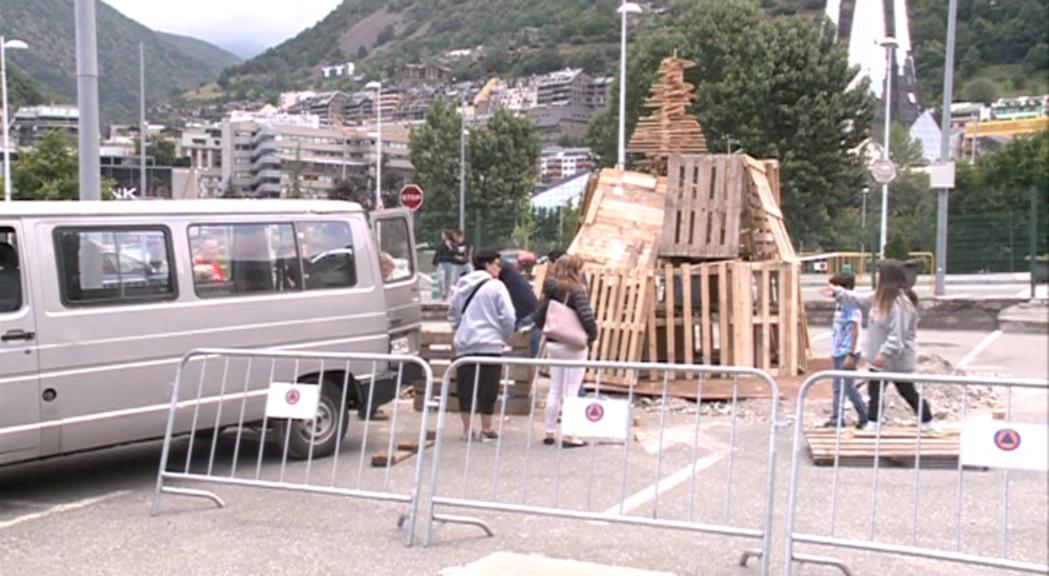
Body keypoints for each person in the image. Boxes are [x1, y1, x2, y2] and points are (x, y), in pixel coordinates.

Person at [823, 259, 935, 431]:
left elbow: (897, 336)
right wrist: (838, 292)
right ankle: (873, 423)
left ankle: (927, 421)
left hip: (896, 359)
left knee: (907, 391)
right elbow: (857, 299)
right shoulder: (879, 297)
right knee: (875, 391)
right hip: (879, 359)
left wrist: (884, 354)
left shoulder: (900, 304)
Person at [447, 249, 516, 442]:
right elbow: (509, 316)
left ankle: (467, 429)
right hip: (490, 344)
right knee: (488, 387)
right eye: (496, 263)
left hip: (465, 344)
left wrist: (460, 330)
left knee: (466, 387)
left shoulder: (462, 285)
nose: (499, 268)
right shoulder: (496, 286)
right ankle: (487, 429)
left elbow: (452, 313)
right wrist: (503, 335)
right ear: (487, 265)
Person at [534, 255, 598, 447]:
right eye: (580, 268)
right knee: (572, 390)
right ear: (574, 270)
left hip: (554, 343)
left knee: (555, 388)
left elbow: (538, 319)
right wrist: (592, 336)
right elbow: (586, 317)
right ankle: (570, 435)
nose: (582, 272)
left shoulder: (551, 291)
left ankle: (549, 431)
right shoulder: (576, 291)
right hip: (574, 344)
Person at [824, 273, 868, 429]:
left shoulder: (850, 305)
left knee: (844, 386)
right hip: (839, 350)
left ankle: (862, 416)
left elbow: (854, 330)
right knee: (842, 386)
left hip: (847, 352)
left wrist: (851, 354)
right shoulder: (840, 304)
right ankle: (842, 418)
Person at [498, 256, 539, 355]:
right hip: (529, 312)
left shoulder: (502, 270)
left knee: (522, 356)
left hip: (524, 315)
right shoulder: (508, 271)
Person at [432, 230, 457, 300]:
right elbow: (437, 253)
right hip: (441, 263)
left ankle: (446, 294)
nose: (442, 236)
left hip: (450, 263)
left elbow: (455, 252)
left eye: (443, 234)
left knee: (448, 280)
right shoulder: (440, 244)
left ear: (447, 235)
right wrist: (434, 263)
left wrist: (449, 246)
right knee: (440, 278)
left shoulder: (453, 244)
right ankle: (442, 292)